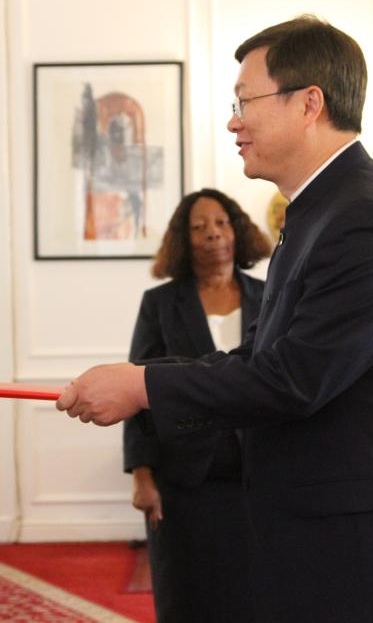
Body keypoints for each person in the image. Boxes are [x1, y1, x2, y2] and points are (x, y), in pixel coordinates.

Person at [58, 15, 373, 622]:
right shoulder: (317, 214)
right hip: (344, 549)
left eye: (244, 101)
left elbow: (293, 379)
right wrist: (138, 382)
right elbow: (259, 357)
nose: (233, 122)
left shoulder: (364, 220)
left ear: (309, 103)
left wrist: (143, 385)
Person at [124, 188, 269, 622]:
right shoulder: (159, 304)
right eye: (199, 227)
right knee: (187, 595)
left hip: (260, 475)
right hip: (184, 479)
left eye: (221, 223)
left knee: (257, 596)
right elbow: (137, 392)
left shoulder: (270, 296)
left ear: (237, 231)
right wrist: (142, 476)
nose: (213, 234)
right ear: (183, 240)